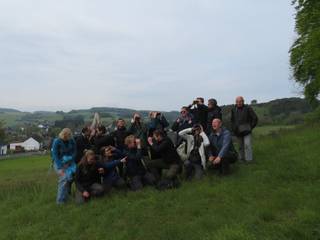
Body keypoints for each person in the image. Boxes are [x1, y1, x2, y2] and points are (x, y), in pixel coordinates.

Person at [51, 128, 77, 204]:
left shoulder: (71, 140)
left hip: (70, 162)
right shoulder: (57, 141)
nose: (67, 138)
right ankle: (60, 201)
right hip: (58, 162)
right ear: (63, 135)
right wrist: (60, 168)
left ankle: (66, 197)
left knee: (70, 178)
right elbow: (55, 155)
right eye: (66, 137)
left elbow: (75, 151)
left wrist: (71, 158)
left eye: (69, 136)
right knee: (63, 178)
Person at [231, 96, 258, 162]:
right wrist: (234, 128)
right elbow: (232, 120)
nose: (239, 103)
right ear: (236, 102)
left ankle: (249, 160)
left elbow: (255, 118)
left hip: (247, 131)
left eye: (240, 101)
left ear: (243, 101)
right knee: (240, 146)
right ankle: (241, 159)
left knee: (247, 145)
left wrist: (250, 127)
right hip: (238, 131)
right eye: (237, 101)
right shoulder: (234, 109)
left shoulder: (248, 108)